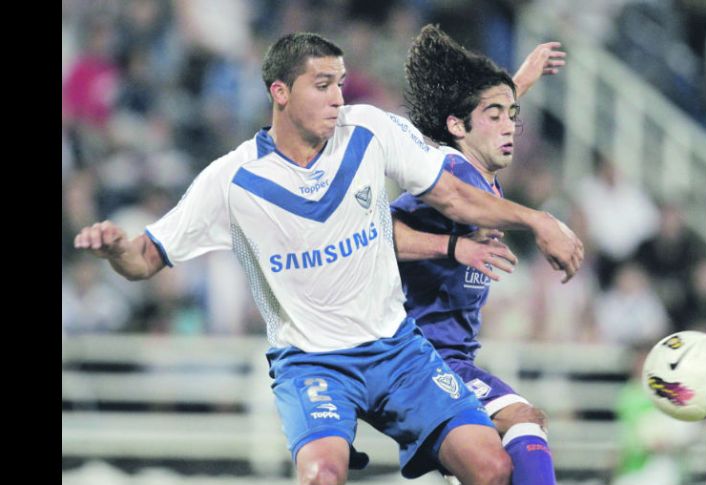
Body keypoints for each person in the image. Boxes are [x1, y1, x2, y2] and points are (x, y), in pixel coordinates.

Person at [74, 32, 582, 485]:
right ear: (280, 92)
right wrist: (118, 247)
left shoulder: (369, 131)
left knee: (491, 467)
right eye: (322, 85)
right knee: (322, 474)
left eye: (340, 83)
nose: (339, 98)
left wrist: (539, 220)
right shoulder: (232, 181)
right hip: (313, 361)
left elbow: (454, 188)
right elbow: (144, 258)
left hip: (397, 349)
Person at [390, 25, 577, 485]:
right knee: (523, 419)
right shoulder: (451, 173)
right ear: (457, 126)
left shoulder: (478, 174)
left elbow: (483, 121)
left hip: (452, 357)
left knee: (490, 466)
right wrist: (456, 245)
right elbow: (375, 230)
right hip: (419, 357)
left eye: (513, 114)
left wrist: (520, 83)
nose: (510, 124)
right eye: (497, 114)